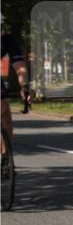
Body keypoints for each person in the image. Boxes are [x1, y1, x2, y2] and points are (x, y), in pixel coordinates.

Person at [1, 20, 31, 158]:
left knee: (3, 108)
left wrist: (24, 87)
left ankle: (5, 159)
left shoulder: (7, 40)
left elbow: (20, 68)